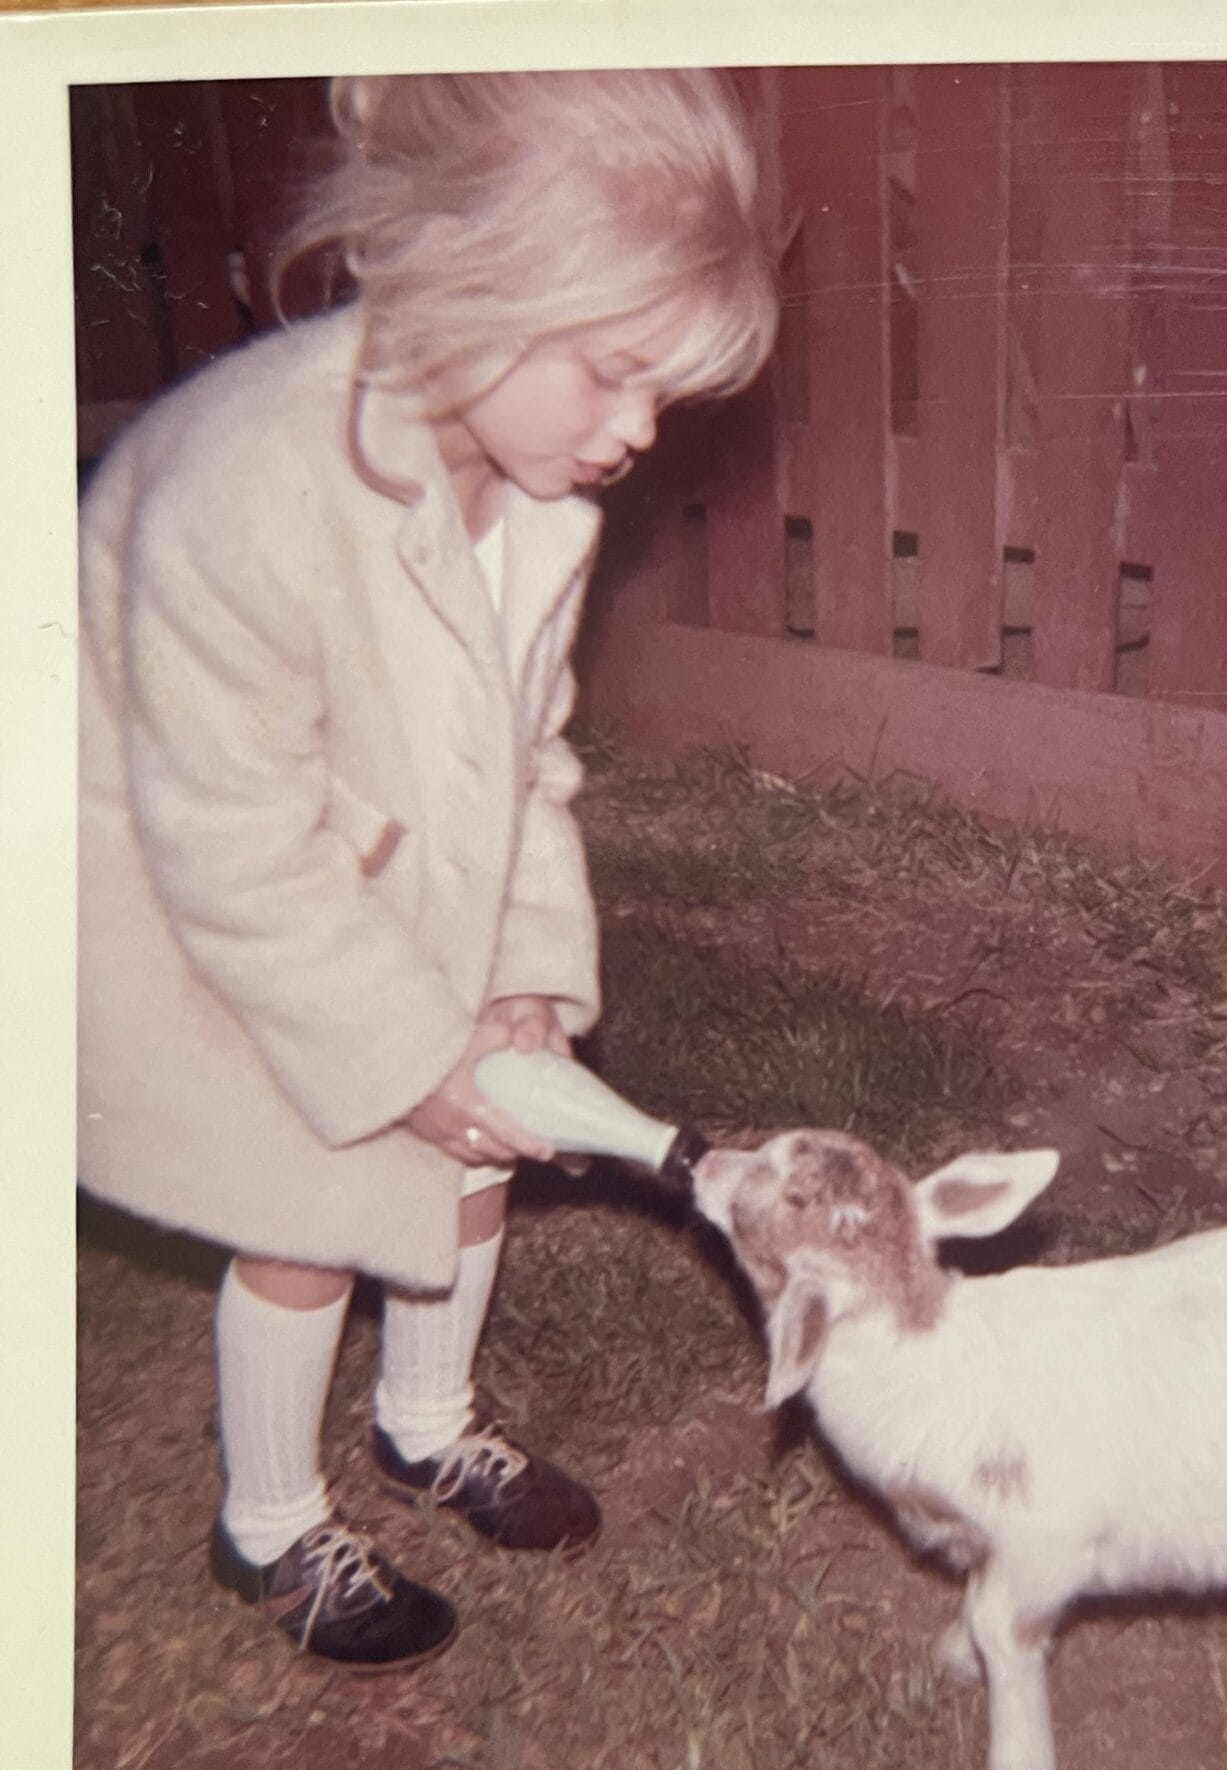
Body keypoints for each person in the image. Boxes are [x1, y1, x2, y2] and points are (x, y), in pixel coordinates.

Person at [77, 69, 779, 1671]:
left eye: (661, 394)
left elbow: (526, 754)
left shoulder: (541, 499)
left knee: (476, 1155)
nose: (639, 433)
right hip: (196, 875)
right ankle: (264, 1521)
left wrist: (525, 976)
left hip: (391, 848)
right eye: (615, 377)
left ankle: (429, 1422)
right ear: (484, 293)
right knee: (308, 1191)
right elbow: (233, 846)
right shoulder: (244, 488)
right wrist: (402, 1047)